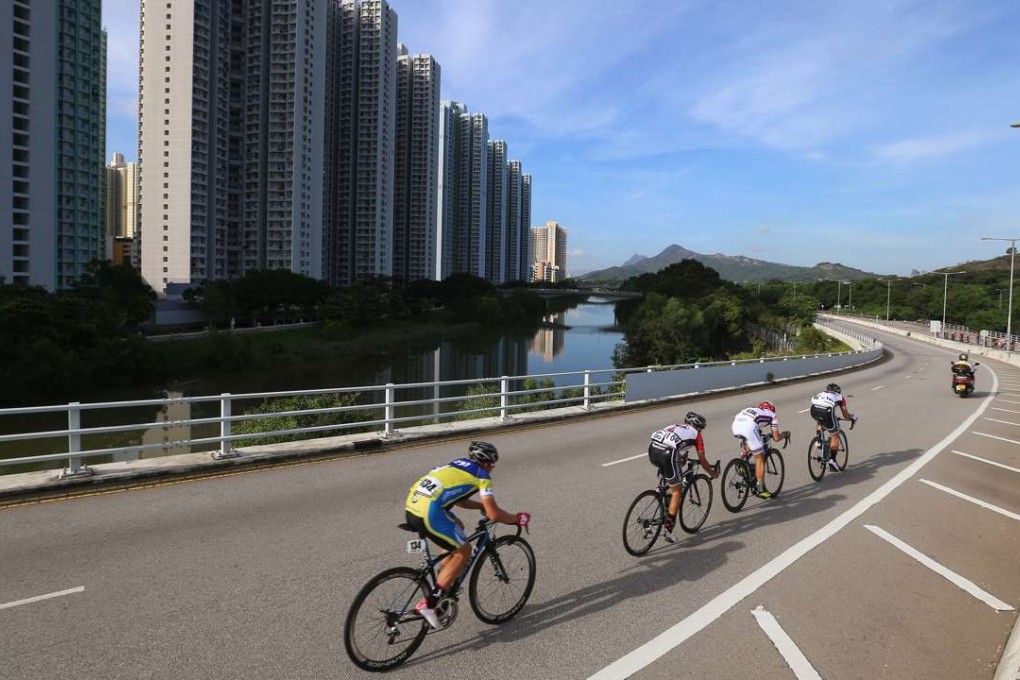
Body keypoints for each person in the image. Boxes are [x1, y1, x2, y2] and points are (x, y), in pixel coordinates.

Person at [404, 441, 530, 629]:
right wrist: (517, 519)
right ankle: (430, 604)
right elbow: (495, 514)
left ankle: (444, 576)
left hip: (413, 507)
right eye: (492, 465)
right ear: (488, 463)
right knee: (464, 551)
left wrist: (480, 506)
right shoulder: (482, 476)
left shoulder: (455, 465)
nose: (492, 469)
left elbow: (459, 500)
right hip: (431, 513)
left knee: (458, 527)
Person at [647, 411, 719, 544]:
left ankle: (660, 492)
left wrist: (680, 463)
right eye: (701, 429)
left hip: (653, 449)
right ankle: (668, 531)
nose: (701, 432)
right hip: (667, 453)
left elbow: (682, 460)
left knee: (670, 477)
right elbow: (702, 460)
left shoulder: (676, 427)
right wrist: (713, 473)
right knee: (677, 491)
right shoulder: (696, 436)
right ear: (698, 427)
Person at [731, 401, 790, 499]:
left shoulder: (754, 410)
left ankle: (742, 464)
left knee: (750, 443)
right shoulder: (772, 415)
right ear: (772, 409)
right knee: (759, 457)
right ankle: (760, 488)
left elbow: (755, 427)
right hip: (749, 427)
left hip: (736, 425)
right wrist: (784, 434)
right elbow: (776, 438)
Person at [810, 383, 856, 471]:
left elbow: (815, 402)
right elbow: (845, 414)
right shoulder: (840, 397)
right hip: (827, 411)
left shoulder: (821, 393)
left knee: (820, 421)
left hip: (814, 409)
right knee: (835, 435)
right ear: (838, 391)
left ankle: (819, 440)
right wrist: (851, 417)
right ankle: (832, 460)